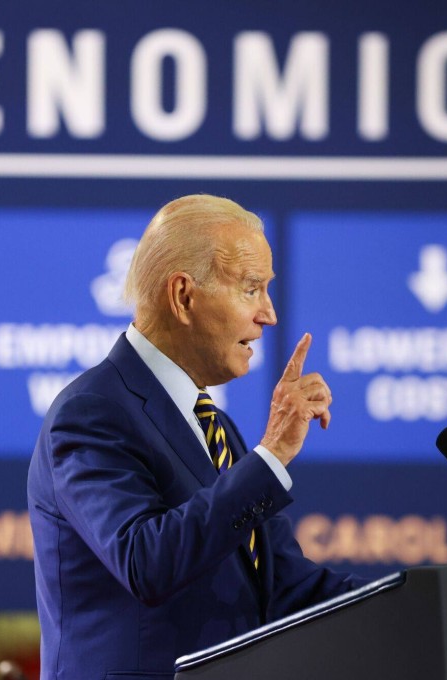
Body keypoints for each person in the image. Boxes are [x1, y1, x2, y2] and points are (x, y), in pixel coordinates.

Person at [27, 194, 369, 679]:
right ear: (183, 296)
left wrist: (420, 601)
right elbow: (145, 561)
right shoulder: (92, 413)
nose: (269, 314)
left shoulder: (215, 427)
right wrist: (270, 455)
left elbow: (284, 585)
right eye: (252, 289)